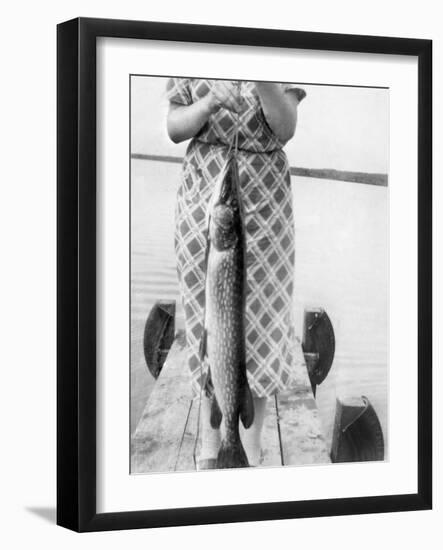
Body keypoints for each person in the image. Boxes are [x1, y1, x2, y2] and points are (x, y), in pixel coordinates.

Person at [166, 78, 306, 468]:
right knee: (206, 322)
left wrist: (264, 79)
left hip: (265, 201)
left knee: (264, 322)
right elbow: (175, 127)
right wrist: (208, 103)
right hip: (205, 201)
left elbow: (286, 127)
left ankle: (252, 448)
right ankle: (211, 446)